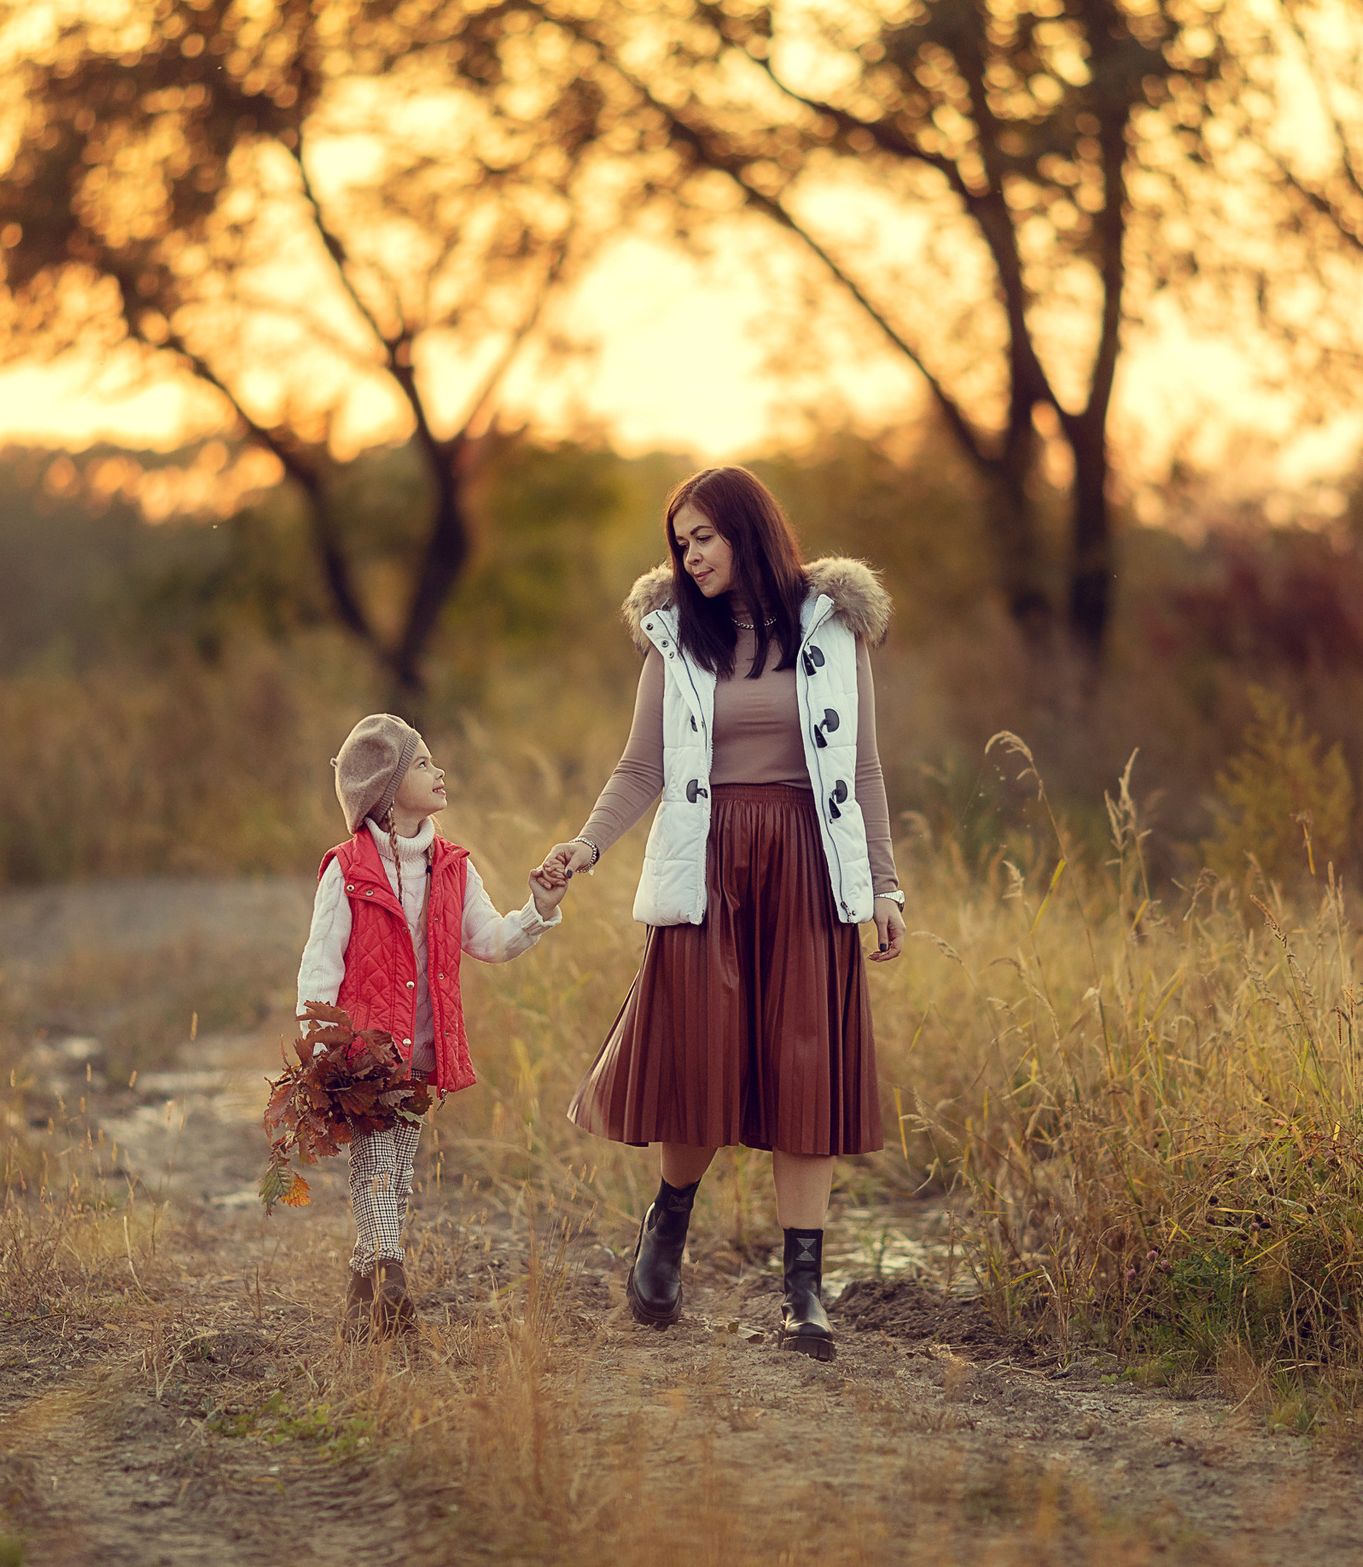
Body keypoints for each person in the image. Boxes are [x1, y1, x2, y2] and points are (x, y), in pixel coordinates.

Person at [541, 466, 905, 1362]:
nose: (690, 554)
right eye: (681, 542)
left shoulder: (832, 629)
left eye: (703, 536)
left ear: (748, 529)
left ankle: (804, 1293)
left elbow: (862, 770)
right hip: (707, 864)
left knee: (804, 1069)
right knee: (703, 1053)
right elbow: (641, 769)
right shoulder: (677, 638)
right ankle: (668, 1221)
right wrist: (584, 848)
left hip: (808, 870)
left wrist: (885, 887)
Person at [295, 712, 569, 1335]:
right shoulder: (347, 868)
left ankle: (365, 1283)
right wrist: (317, 1043)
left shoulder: (452, 866)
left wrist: (539, 910)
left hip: (425, 1050)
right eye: (422, 763)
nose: (438, 771)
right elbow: (320, 961)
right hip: (362, 1055)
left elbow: (491, 941)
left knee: (396, 1162)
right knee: (376, 1160)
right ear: (386, 793)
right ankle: (388, 1278)